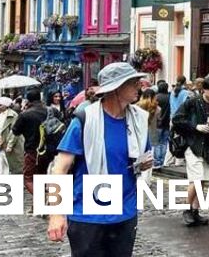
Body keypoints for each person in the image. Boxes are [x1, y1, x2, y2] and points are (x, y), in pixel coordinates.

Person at [46, 62, 152, 257]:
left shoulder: (139, 121)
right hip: (88, 216)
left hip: (125, 214)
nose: (140, 86)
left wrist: (143, 164)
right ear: (116, 88)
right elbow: (59, 168)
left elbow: (142, 159)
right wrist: (56, 214)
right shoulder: (84, 120)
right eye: (133, 82)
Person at [172, 76, 209, 226]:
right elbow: (177, 119)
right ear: (204, 89)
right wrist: (195, 126)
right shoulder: (192, 102)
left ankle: (195, 211)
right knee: (196, 180)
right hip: (193, 145)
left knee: (202, 181)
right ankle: (186, 209)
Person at [13, 90, 51, 194]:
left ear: (28, 100)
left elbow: (15, 131)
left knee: (28, 179)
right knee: (42, 176)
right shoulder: (50, 111)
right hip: (48, 149)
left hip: (32, 149)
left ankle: (41, 199)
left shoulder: (25, 114)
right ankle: (37, 205)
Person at [0, 96, 23, 175]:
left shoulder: (13, 115)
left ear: (6, 105)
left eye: (0, 105)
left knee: (9, 165)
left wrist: (10, 145)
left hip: (8, 143)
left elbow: (14, 131)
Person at [154, 81, 171, 168]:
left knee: (157, 143)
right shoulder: (169, 97)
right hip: (166, 123)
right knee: (164, 143)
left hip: (157, 123)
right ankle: (162, 160)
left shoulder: (156, 97)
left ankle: (157, 161)